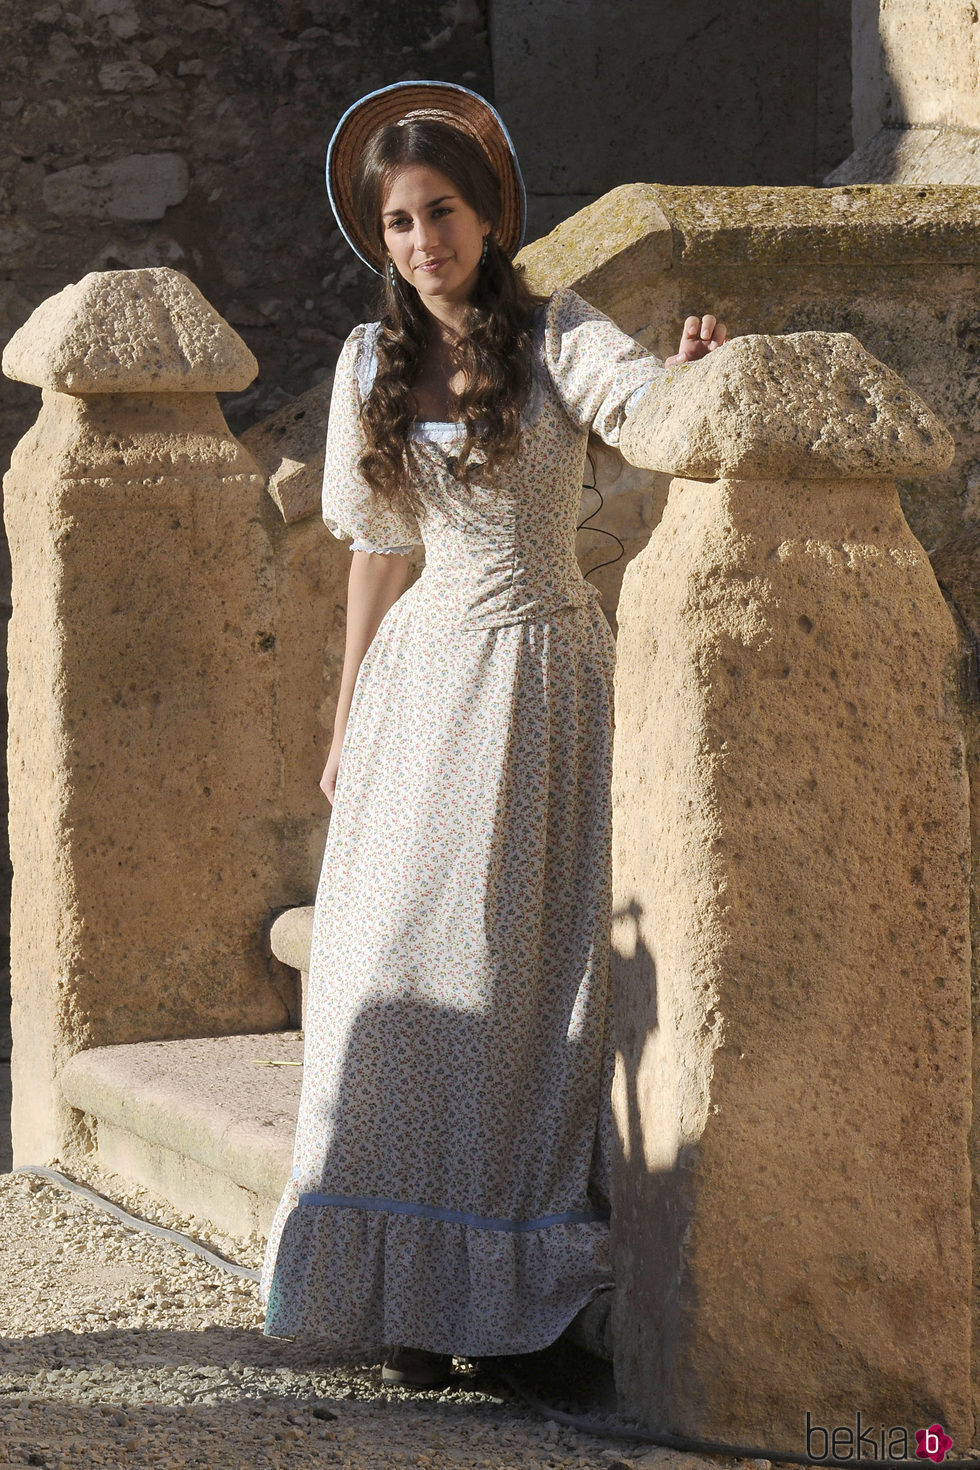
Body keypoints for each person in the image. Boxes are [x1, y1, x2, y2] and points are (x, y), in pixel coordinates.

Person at [259, 80, 726, 1389]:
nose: (423, 241)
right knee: (402, 973)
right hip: (424, 689)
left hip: (546, 683)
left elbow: (644, 420)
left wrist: (691, 379)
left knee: (529, 989)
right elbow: (372, 553)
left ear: (490, 212)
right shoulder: (372, 364)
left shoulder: (560, 332)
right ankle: (411, 1299)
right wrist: (346, 720)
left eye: (443, 212)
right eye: (400, 222)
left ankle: (509, 1309)